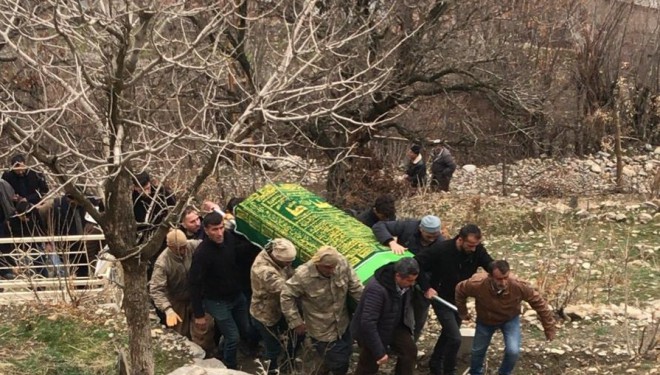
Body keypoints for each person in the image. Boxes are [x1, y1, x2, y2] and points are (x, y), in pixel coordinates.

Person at [414, 224, 494, 375]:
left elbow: (489, 264)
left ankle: (435, 363)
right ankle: (449, 370)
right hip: (440, 297)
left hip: (459, 298)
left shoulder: (477, 250)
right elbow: (416, 263)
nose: (473, 249)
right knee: (455, 338)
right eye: (470, 245)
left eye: (476, 245)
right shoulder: (441, 250)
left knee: (449, 333)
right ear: (460, 240)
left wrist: (500, 274)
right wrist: (426, 287)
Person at [455, 260, 556, 375]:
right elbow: (460, 290)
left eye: (505, 277)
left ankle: (504, 372)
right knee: (478, 350)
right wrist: (463, 311)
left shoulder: (518, 286)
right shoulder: (477, 284)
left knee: (513, 351)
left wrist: (549, 327)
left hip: (509, 319)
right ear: (490, 276)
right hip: (486, 320)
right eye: (499, 279)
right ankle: (476, 372)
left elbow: (539, 303)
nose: (503, 282)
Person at [280, 246, 363, 375]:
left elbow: (356, 288)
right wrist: (295, 321)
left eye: (333, 266)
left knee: (345, 353)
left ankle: (320, 369)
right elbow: (286, 295)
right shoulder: (303, 275)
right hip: (321, 329)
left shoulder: (341, 263)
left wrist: (368, 307)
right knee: (340, 364)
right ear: (318, 263)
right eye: (327, 267)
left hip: (343, 323)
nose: (332, 270)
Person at [189, 211, 248, 369]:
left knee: (245, 328)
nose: (219, 232)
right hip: (216, 301)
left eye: (221, 227)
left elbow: (242, 251)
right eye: (215, 229)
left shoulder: (229, 238)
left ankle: (223, 349)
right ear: (206, 230)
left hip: (236, 295)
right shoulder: (202, 254)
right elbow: (194, 283)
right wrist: (199, 314)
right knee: (233, 336)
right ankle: (230, 366)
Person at [372, 215, 445, 341]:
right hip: (399, 279)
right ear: (421, 229)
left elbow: (438, 269)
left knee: (419, 316)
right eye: (428, 236)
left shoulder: (441, 244)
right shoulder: (408, 227)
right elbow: (379, 226)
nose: (431, 240)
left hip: (423, 282)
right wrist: (391, 243)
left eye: (435, 236)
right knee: (393, 312)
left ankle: (411, 343)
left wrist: (428, 287)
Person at [149, 229, 215, 356]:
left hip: (196, 296)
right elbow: (156, 289)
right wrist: (168, 309)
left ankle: (208, 355)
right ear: (170, 247)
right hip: (176, 300)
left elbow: (207, 244)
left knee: (205, 327)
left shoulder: (192, 245)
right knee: (181, 335)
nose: (184, 251)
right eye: (180, 249)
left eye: (185, 247)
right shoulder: (162, 263)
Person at [351, 258, 419, 375]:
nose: (412, 284)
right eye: (409, 280)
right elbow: (368, 322)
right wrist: (379, 352)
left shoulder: (405, 285)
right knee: (369, 365)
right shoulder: (376, 290)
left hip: (395, 324)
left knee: (409, 352)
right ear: (398, 276)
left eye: (414, 280)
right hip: (373, 331)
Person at [250, 238, 301, 374]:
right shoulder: (263, 270)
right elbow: (285, 289)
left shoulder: (278, 254)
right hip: (265, 314)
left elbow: (291, 273)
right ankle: (271, 370)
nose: (290, 264)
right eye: (287, 262)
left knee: (288, 336)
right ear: (277, 258)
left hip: (278, 309)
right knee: (273, 349)